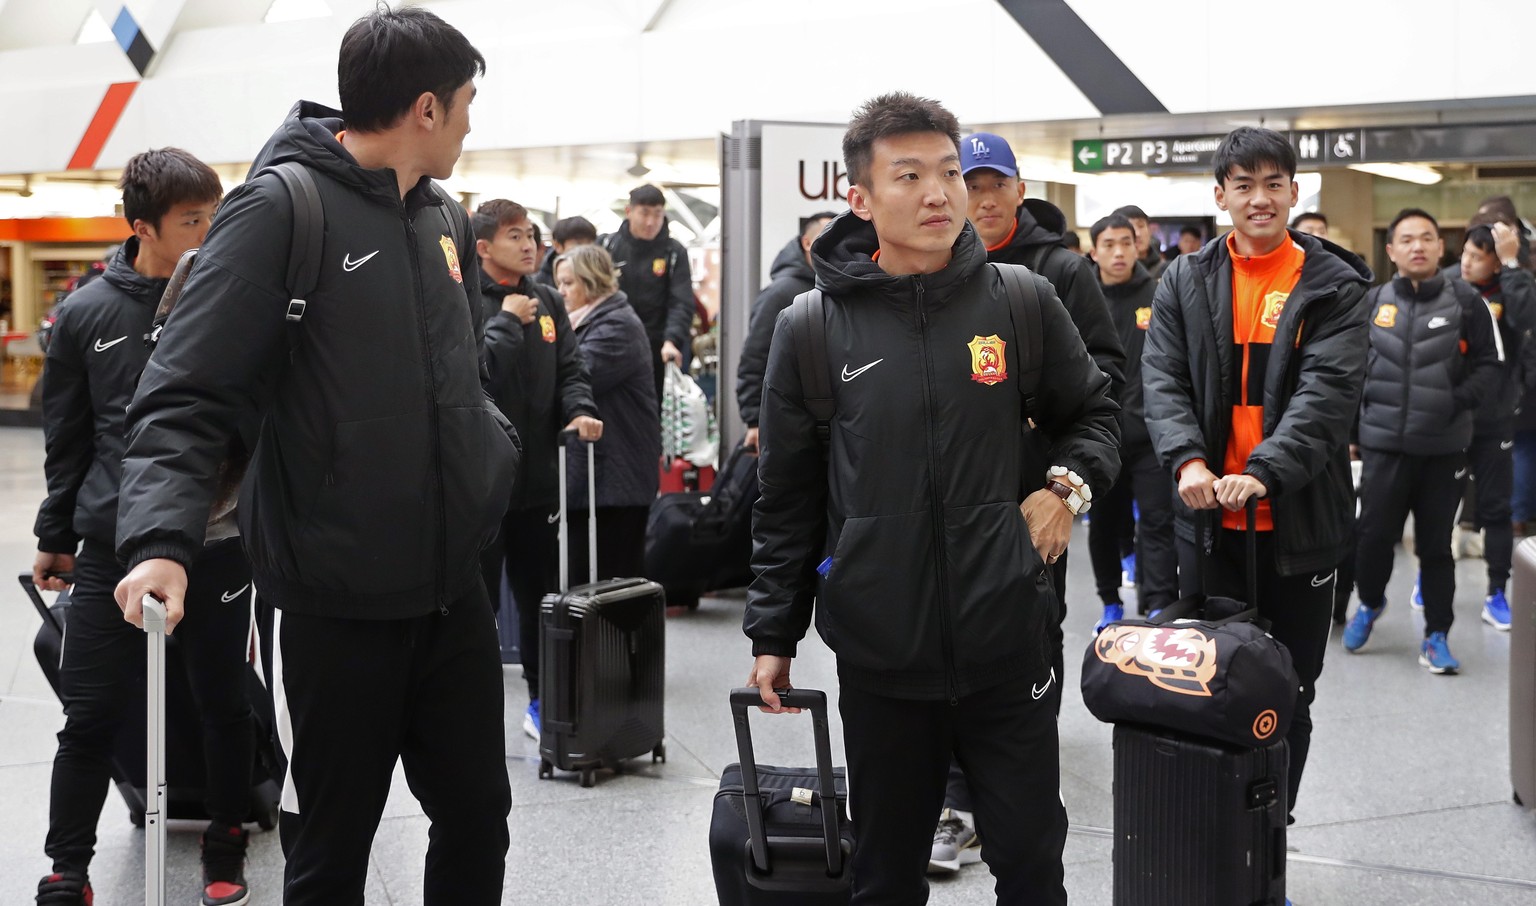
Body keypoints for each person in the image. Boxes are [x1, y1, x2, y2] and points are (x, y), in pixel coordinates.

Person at [112, 8, 518, 904]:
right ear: (424, 108)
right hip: (334, 601)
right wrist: (159, 544)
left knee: (478, 817)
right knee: (331, 843)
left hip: (450, 592)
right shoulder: (280, 207)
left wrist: (494, 453)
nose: (470, 122)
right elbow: (187, 391)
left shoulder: (443, 218)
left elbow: (461, 377)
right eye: (465, 104)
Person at [745, 92, 1119, 905]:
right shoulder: (811, 327)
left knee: (1030, 865)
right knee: (885, 873)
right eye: (908, 175)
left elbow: (1095, 416)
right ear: (861, 198)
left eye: (948, 172)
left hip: (1010, 637)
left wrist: (1065, 489)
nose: (939, 193)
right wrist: (774, 629)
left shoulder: (1020, 301)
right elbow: (788, 497)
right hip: (882, 651)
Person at [31, 149, 256, 906]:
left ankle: (227, 842)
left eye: (213, 216)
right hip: (111, 547)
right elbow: (68, 437)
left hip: (218, 542)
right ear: (142, 227)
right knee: (89, 712)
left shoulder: (224, 299)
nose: (207, 232)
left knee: (224, 701)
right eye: (192, 221)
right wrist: (56, 533)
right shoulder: (89, 312)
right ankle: (68, 868)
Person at [1143, 126, 1373, 819]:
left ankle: (1269, 834)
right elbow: (1163, 378)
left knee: (1289, 690)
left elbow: (1326, 399)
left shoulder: (1336, 282)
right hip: (1210, 525)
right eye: (1243, 185)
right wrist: (1187, 458)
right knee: (1210, 684)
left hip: (1298, 526)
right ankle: (1213, 837)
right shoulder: (1187, 277)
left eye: (1274, 183)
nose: (1260, 198)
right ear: (1220, 196)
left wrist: (1266, 470)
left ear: (1294, 192)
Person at [926, 130, 1125, 874]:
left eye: (992, 184)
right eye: (966, 183)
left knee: (1032, 636)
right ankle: (953, 803)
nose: (979, 198)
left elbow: (1104, 377)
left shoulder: (1062, 271)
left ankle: (1019, 793)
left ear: (1018, 190)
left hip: (1037, 496)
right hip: (950, 499)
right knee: (946, 638)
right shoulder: (935, 264)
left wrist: (1059, 478)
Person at [1343, 208, 1502, 674]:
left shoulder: (1467, 302)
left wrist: (1455, 401)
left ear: (1439, 247)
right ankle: (1370, 603)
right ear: (1391, 251)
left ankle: (1436, 635)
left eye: (1427, 238)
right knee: (1372, 538)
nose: (1418, 246)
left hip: (1443, 449)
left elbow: (1493, 366)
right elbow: (1349, 372)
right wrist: (1354, 432)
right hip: (1383, 445)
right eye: (1407, 239)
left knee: (1435, 547)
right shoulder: (1371, 303)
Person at [474, 198, 601, 741]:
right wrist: (504, 322)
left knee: (539, 596)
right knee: (476, 604)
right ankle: (471, 710)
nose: (529, 245)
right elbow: (472, 375)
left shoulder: (547, 300)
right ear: (482, 248)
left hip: (539, 481)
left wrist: (580, 408)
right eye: (514, 237)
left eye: (531, 234)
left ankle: (541, 700)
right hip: (479, 486)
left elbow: (571, 368)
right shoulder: (464, 302)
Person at [1086, 213, 1177, 629]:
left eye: (1126, 242)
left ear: (1138, 245)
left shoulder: (1160, 294)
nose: (1119, 252)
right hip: (1100, 438)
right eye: (1108, 245)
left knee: (1157, 522)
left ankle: (1158, 603)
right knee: (1105, 524)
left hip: (1150, 435)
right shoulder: (1081, 298)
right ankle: (1111, 602)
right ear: (1094, 251)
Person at [554, 244, 661, 581]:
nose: (561, 292)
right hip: (600, 476)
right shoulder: (590, 321)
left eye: (568, 283)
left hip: (614, 479)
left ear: (591, 281)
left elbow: (574, 377)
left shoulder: (616, 326)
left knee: (612, 586)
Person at [1450, 220, 1534, 630]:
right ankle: (1430, 582)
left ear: (1496, 263)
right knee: (1439, 505)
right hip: (1448, 415)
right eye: (1464, 252)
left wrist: (1514, 264)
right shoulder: (1448, 283)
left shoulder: (1513, 290)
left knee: (1497, 507)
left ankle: (1496, 591)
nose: (1466, 262)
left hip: (1495, 416)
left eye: (1477, 257)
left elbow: (1527, 316)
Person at [736, 212, 838, 451]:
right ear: (807, 243)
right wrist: (753, 420)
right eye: (826, 237)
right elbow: (755, 357)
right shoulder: (781, 293)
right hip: (788, 423)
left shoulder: (836, 289)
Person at [601, 185, 695, 402]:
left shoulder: (673, 252)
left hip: (658, 348)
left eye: (657, 214)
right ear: (629, 211)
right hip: (615, 345)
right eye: (644, 213)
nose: (651, 222)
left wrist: (672, 340)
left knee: (654, 411)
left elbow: (681, 301)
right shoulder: (608, 247)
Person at [535, 214, 597, 287]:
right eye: (578, 245)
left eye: (589, 245)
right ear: (557, 246)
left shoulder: (600, 275)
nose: (585, 251)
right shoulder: (541, 283)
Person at [1113, 203, 1167, 280]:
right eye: (1130, 227)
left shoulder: (1169, 271)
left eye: (1141, 226)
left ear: (1149, 230)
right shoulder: (1105, 274)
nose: (1137, 233)